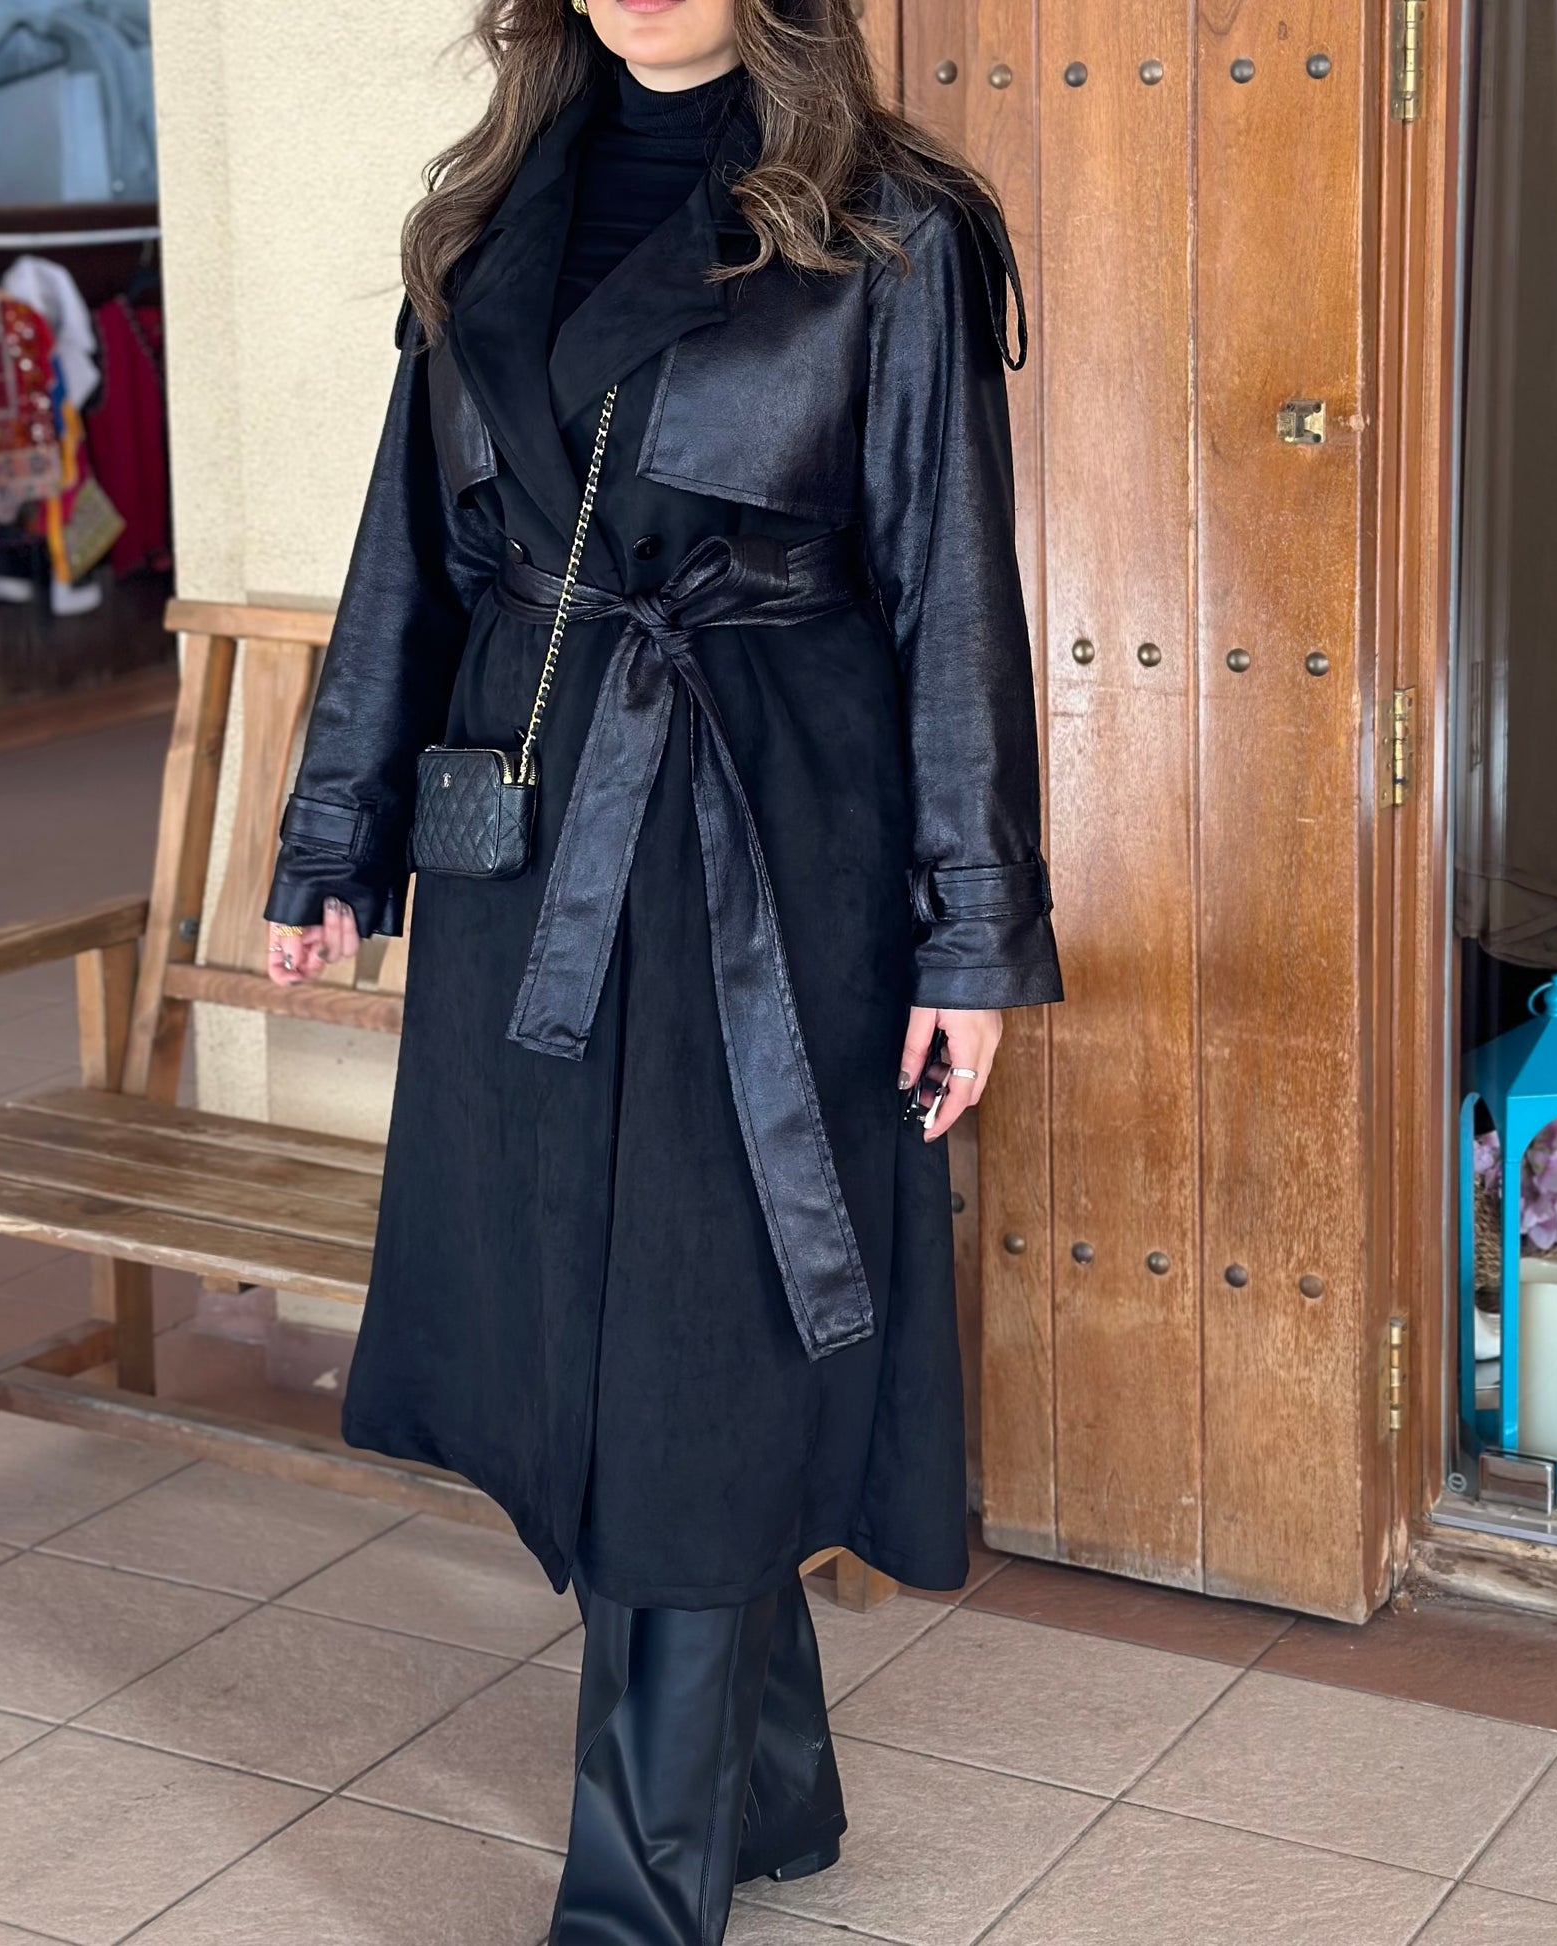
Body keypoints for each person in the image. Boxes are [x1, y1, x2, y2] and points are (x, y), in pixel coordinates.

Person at [262, 0, 1061, 1934]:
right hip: (526, 840)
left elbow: (953, 587)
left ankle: (634, 1904)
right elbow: (406, 551)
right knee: (576, 1311)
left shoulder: (891, 227)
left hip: (769, 841)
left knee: (702, 1341)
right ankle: (768, 1788)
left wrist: (968, 937)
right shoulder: (482, 214)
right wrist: (333, 835)